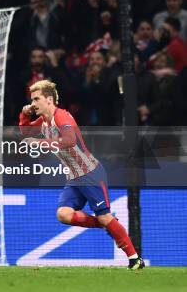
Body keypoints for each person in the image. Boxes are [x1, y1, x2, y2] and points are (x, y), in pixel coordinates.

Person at [19, 80, 145, 270]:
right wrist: (24, 115)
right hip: (73, 177)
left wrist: (41, 143)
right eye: (32, 99)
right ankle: (107, 224)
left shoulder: (62, 117)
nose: (33, 103)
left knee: (104, 217)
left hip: (90, 174)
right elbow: (26, 132)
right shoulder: (44, 120)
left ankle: (135, 259)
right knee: (64, 214)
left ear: (49, 99)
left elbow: (69, 141)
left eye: (36, 99)